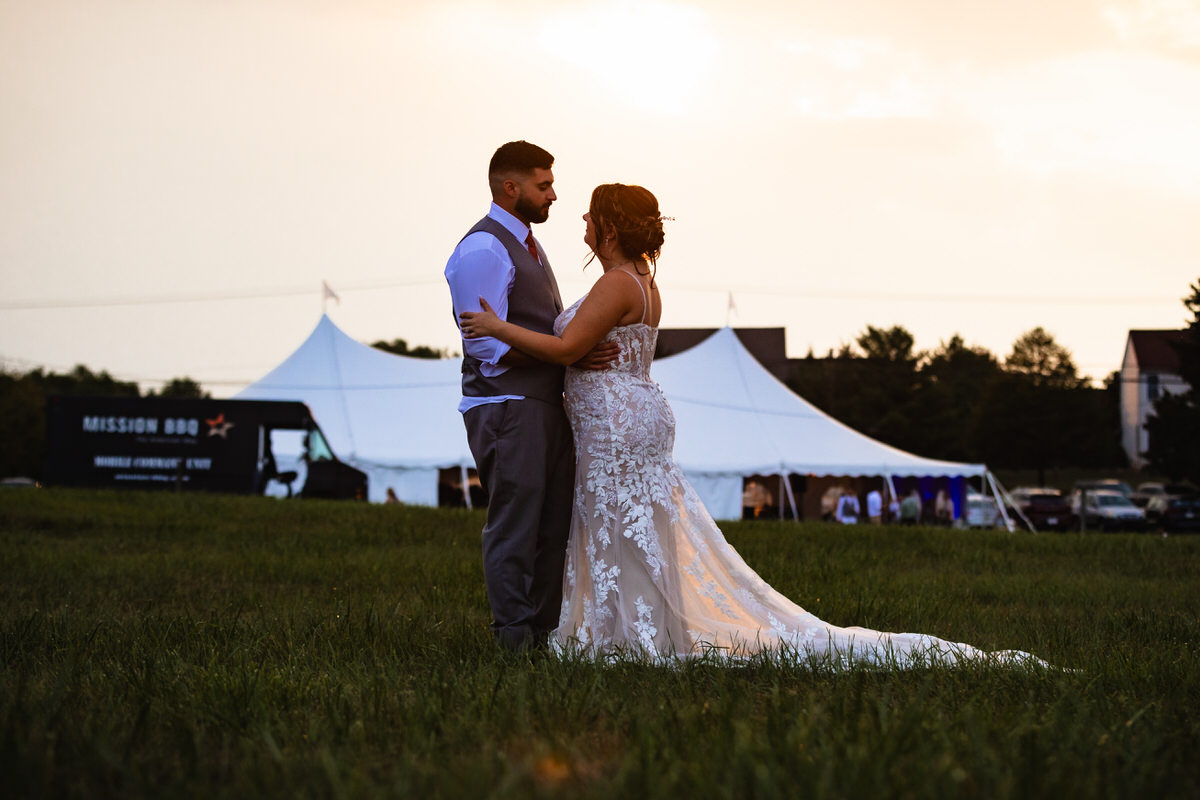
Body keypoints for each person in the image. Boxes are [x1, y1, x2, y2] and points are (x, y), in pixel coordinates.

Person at [459, 182, 1043, 667]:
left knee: (618, 522)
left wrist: (497, 326)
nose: (581, 216)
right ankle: (633, 627)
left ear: (610, 226)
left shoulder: (617, 283)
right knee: (634, 526)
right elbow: (577, 346)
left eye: (592, 211)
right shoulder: (640, 280)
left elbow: (567, 348)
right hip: (631, 410)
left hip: (615, 420)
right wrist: (573, 349)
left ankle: (627, 637)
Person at [444, 141, 616, 651]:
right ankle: (514, 640)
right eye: (544, 186)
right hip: (504, 406)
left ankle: (543, 635)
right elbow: (487, 346)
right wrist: (566, 355)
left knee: (551, 524)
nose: (554, 196)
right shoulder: (483, 248)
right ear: (509, 187)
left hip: (541, 405)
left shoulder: (528, 247)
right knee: (517, 523)